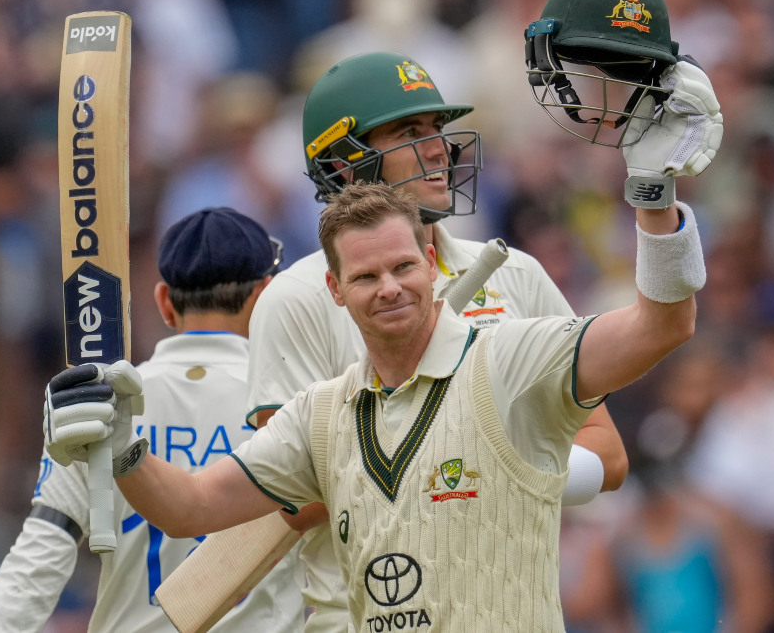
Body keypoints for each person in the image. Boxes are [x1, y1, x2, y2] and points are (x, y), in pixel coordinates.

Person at [44, 165, 712, 629]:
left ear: (431, 262)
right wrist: (123, 446)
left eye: (401, 267)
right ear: (335, 291)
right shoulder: (323, 414)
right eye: (365, 275)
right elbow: (191, 508)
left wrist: (655, 195)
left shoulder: (508, 357)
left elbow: (664, 324)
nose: (389, 287)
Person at [247, 48, 633, 630]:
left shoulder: (513, 273)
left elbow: (608, 453)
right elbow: (289, 501)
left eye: (436, 129)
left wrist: (507, 468)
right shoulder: (297, 298)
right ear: (345, 164)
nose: (437, 147)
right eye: (408, 131)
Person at [0, 208, 304, 632]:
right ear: (265, 297)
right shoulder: (296, 407)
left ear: (165, 302)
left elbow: (43, 549)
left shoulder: (98, 405)